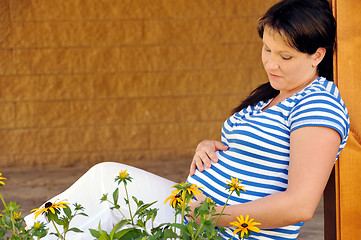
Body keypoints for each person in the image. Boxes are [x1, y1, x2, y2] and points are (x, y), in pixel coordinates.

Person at [25, 0, 349, 239]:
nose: (271, 64)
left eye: (285, 56)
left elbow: (299, 206)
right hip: (193, 213)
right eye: (267, 50)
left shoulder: (317, 104)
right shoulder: (272, 95)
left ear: (317, 55)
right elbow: (258, 151)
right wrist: (212, 146)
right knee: (94, 214)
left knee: (106, 182)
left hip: (218, 230)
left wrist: (210, 215)